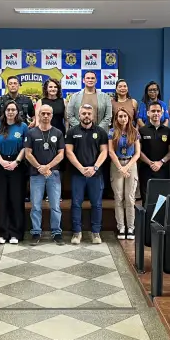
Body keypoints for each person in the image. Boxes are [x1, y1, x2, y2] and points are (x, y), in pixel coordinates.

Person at [65, 104, 109, 244]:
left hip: (96, 174)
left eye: (89, 113)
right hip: (78, 174)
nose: (86, 116)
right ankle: (76, 233)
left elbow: (104, 152)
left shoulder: (101, 132)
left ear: (93, 116)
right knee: (76, 204)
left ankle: (95, 233)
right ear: (79, 115)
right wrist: (81, 168)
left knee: (96, 204)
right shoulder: (72, 131)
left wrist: (94, 168)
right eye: (84, 113)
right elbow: (68, 152)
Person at [24, 104, 66, 245]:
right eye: (43, 113)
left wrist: (47, 167)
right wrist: (39, 167)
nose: (46, 116)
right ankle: (36, 232)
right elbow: (27, 154)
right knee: (36, 205)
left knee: (55, 205)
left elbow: (61, 154)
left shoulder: (58, 133)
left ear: (52, 116)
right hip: (36, 174)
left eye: (48, 113)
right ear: (39, 115)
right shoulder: (31, 133)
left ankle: (57, 232)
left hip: (53, 173)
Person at [0, 101, 28, 244]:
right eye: (8, 109)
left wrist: (16, 162)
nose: (11, 112)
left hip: (17, 165)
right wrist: (1, 161)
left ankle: (15, 233)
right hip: (0, 164)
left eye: (13, 109)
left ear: (17, 112)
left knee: (16, 199)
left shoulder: (23, 126)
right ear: (4, 111)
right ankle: (2, 233)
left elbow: (25, 147)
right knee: (1, 200)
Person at [109, 108, 142, 240]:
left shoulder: (134, 132)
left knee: (130, 197)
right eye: (120, 116)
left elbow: (137, 153)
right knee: (118, 197)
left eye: (125, 116)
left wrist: (127, 167)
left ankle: (131, 227)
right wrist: (120, 167)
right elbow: (111, 151)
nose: (123, 119)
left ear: (129, 118)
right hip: (116, 164)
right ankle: (121, 227)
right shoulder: (112, 132)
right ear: (116, 118)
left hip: (131, 163)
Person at [138, 101, 170, 206]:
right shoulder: (141, 130)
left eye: (158, 111)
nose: (156, 113)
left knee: (161, 200)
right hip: (146, 170)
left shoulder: (168, 131)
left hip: (163, 170)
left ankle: (159, 217)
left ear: (162, 113)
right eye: (153, 111)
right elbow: (138, 151)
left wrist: (160, 162)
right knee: (146, 200)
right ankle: (146, 217)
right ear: (148, 113)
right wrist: (150, 163)